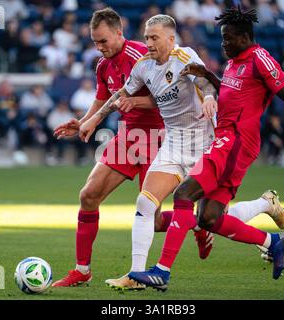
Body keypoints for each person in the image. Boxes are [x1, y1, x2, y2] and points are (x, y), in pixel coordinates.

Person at [76, 13, 284, 291]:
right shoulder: (142, 66)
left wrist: (210, 98)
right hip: (174, 143)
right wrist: (94, 119)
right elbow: (120, 96)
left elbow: (203, 82)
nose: (149, 43)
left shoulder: (184, 55)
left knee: (212, 218)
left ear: (170, 38)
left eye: (154, 38)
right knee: (146, 204)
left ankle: (264, 213)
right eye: (146, 38)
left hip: (205, 143)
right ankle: (136, 275)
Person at [127, 7, 284, 291]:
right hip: (227, 141)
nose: (223, 45)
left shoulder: (260, 59)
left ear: (245, 37)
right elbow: (233, 96)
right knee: (209, 219)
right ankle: (272, 242)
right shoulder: (234, 62)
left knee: (184, 192)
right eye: (222, 40)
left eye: (228, 39)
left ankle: (161, 271)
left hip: (233, 142)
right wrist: (210, 76)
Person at [51, 8, 199, 290]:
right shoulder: (102, 65)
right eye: (95, 42)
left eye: (104, 41)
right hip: (129, 137)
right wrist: (85, 121)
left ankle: (196, 223)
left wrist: (134, 104)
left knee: (153, 219)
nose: (99, 47)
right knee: (88, 195)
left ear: (119, 33)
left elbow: (171, 96)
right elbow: (104, 98)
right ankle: (82, 270)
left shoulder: (142, 55)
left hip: (159, 137)